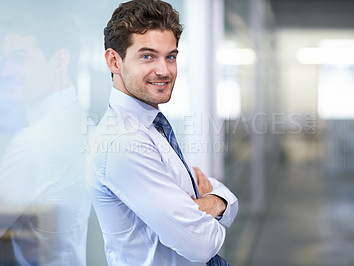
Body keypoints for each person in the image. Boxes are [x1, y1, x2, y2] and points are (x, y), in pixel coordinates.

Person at [86, 0, 239, 265]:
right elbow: (200, 244)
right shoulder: (125, 142)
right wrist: (209, 206)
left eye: (171, 56)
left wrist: (212, 202)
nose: (164, 70)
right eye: (147, 56)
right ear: (114, 61)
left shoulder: (152, 127)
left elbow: (227, 199)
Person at [0, 3, 91, 265]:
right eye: (6, 61)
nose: (6, 72)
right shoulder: (80, 122)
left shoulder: (34, 142)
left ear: (60, 61)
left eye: (20, 58)